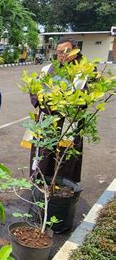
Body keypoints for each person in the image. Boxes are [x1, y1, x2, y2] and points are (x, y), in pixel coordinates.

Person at [29, 36, 84, 183]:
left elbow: (85, 96)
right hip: (47, 119)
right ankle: (40, 182)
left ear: (75, 51)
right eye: (59, 52)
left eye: (66, 51)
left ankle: (61, 183)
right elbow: (34, 90)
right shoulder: (47, 69)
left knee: (65, 157)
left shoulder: (84, 72)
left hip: (68, 121)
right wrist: (44, 103)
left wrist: (62, 103)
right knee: (44, 154)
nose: (62, 55)